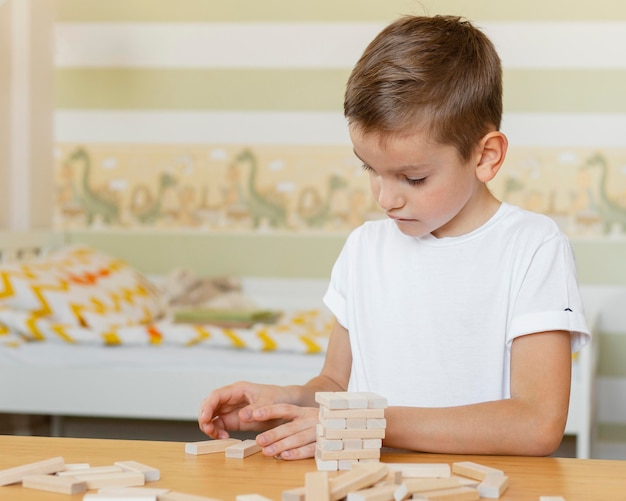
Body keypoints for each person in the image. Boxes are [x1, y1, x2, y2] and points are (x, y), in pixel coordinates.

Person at [198, 15, 590, 459]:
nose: (386, 198)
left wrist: (372, 424)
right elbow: (334, 385)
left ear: (486, 156)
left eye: (413, 177)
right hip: (368, 482)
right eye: (370, 169)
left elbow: (536, 424)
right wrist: (287, 402)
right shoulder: (364, 249)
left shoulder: (533, 248)